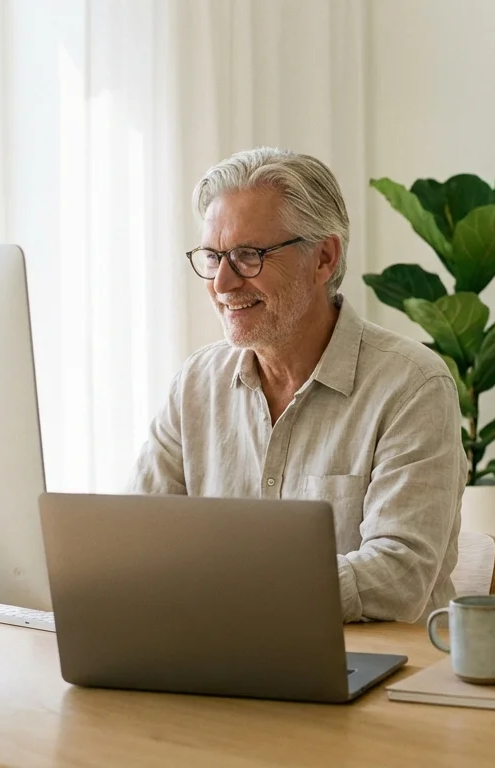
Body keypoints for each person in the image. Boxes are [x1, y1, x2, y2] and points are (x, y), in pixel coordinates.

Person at [129, 147, 466, 623]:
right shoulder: (196, 385)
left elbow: (399, 577)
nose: (222, 283)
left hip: (378, 678)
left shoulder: (412, 385)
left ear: (324, 258)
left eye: (248, 256)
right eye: (212, 256)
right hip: (224, 663)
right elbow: (133, 539)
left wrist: (232, 588)